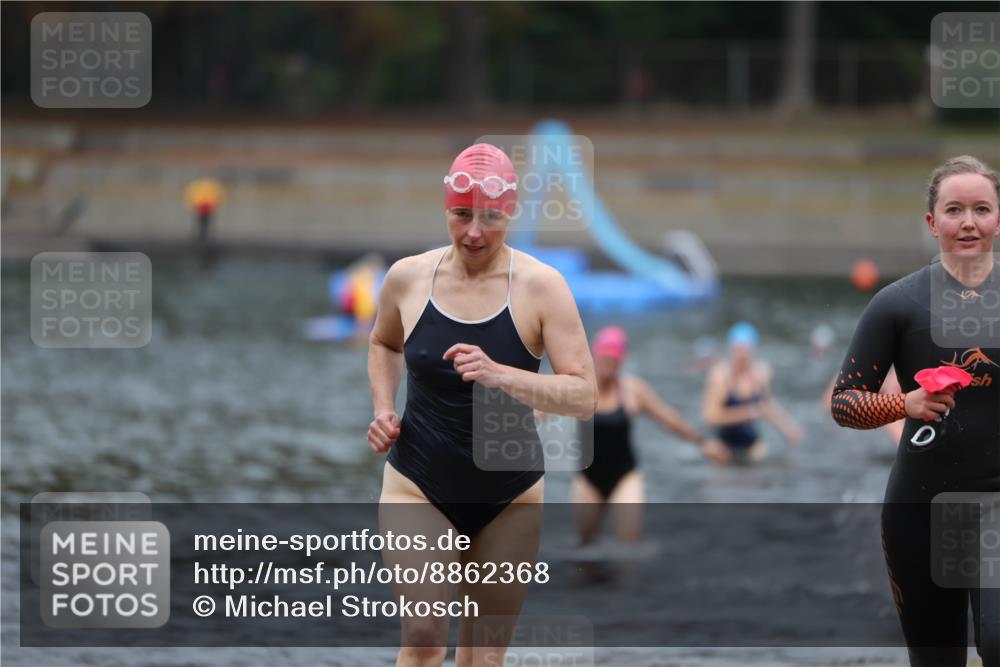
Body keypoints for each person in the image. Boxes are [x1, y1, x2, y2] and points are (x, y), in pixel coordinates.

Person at [367, 143, 597, 667]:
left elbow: (584, 396)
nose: (473, 232)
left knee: (483, 659)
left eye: (490, 218)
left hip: (509, 498)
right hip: (418, 484)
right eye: (461, 215)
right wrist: (383, 407)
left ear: (509, 213)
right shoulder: (407, 277)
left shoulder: (541, 287)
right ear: (445, 209)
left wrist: (501, 375)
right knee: (423, 636)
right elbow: (383, 342)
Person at [830, 155, 1000, 666]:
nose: (968, 222)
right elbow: (844, 402)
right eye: (954, 210)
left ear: (999, 218)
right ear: (932, 222)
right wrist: (903, 403)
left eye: (981, 209)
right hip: (919, 510)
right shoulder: (898, 304)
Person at [572, 325, 728, 546]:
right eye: (605, 359)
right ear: (594, 357)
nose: (609, 366)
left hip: (625, 477)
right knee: (585, 547)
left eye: (614, 361)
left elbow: (668, 418)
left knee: (629, 547)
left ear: (622, 361)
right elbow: (543, 408)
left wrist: (703, 442)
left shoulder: (633, 391)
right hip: (588, 480)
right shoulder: (578, 390)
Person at [702, 321, 803, 462]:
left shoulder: (761, 374)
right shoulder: (720, 376)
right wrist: (746, 413)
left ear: (753, 350)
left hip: (751, 443)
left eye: (746, 350)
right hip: (723, 444)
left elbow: (766, 405)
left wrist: (788, 429)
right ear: (731, 349)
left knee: (763, 463)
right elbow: (711, 417)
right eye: (739, 350)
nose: (742, 356)